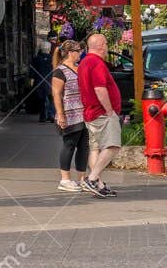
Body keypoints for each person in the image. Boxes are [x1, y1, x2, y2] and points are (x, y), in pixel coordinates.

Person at [78, 33, 123, 197]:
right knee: (113, 145)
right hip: (102, 112)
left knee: (95, 148)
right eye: (106, 44)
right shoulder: (96, 63)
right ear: (101, 45)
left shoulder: (84, 62)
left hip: (90, 112)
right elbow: (100, 89)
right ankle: (92, 179)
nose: (107, 48)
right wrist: (110, 111)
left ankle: (98, 184)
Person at [50, 41, 89, 195]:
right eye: (79, 51)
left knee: (84, 147)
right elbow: (56, 94)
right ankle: (65, 179)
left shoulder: (79, 69)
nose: (81, 53)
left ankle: (82, 179)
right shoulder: (59, 71)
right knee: (69, 145)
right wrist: (61, 115)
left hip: (83, 114)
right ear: (70, 52)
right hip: (70, 115)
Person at [31, 39, 55, 121]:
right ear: (49, 48)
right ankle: (51, 115)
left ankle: (43, 116)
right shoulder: (53, 59)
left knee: (42, 100)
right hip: (50, 81)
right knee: (51, 99)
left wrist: (31, 81)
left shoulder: (36, 59)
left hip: (39, 81)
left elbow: (32, 72)